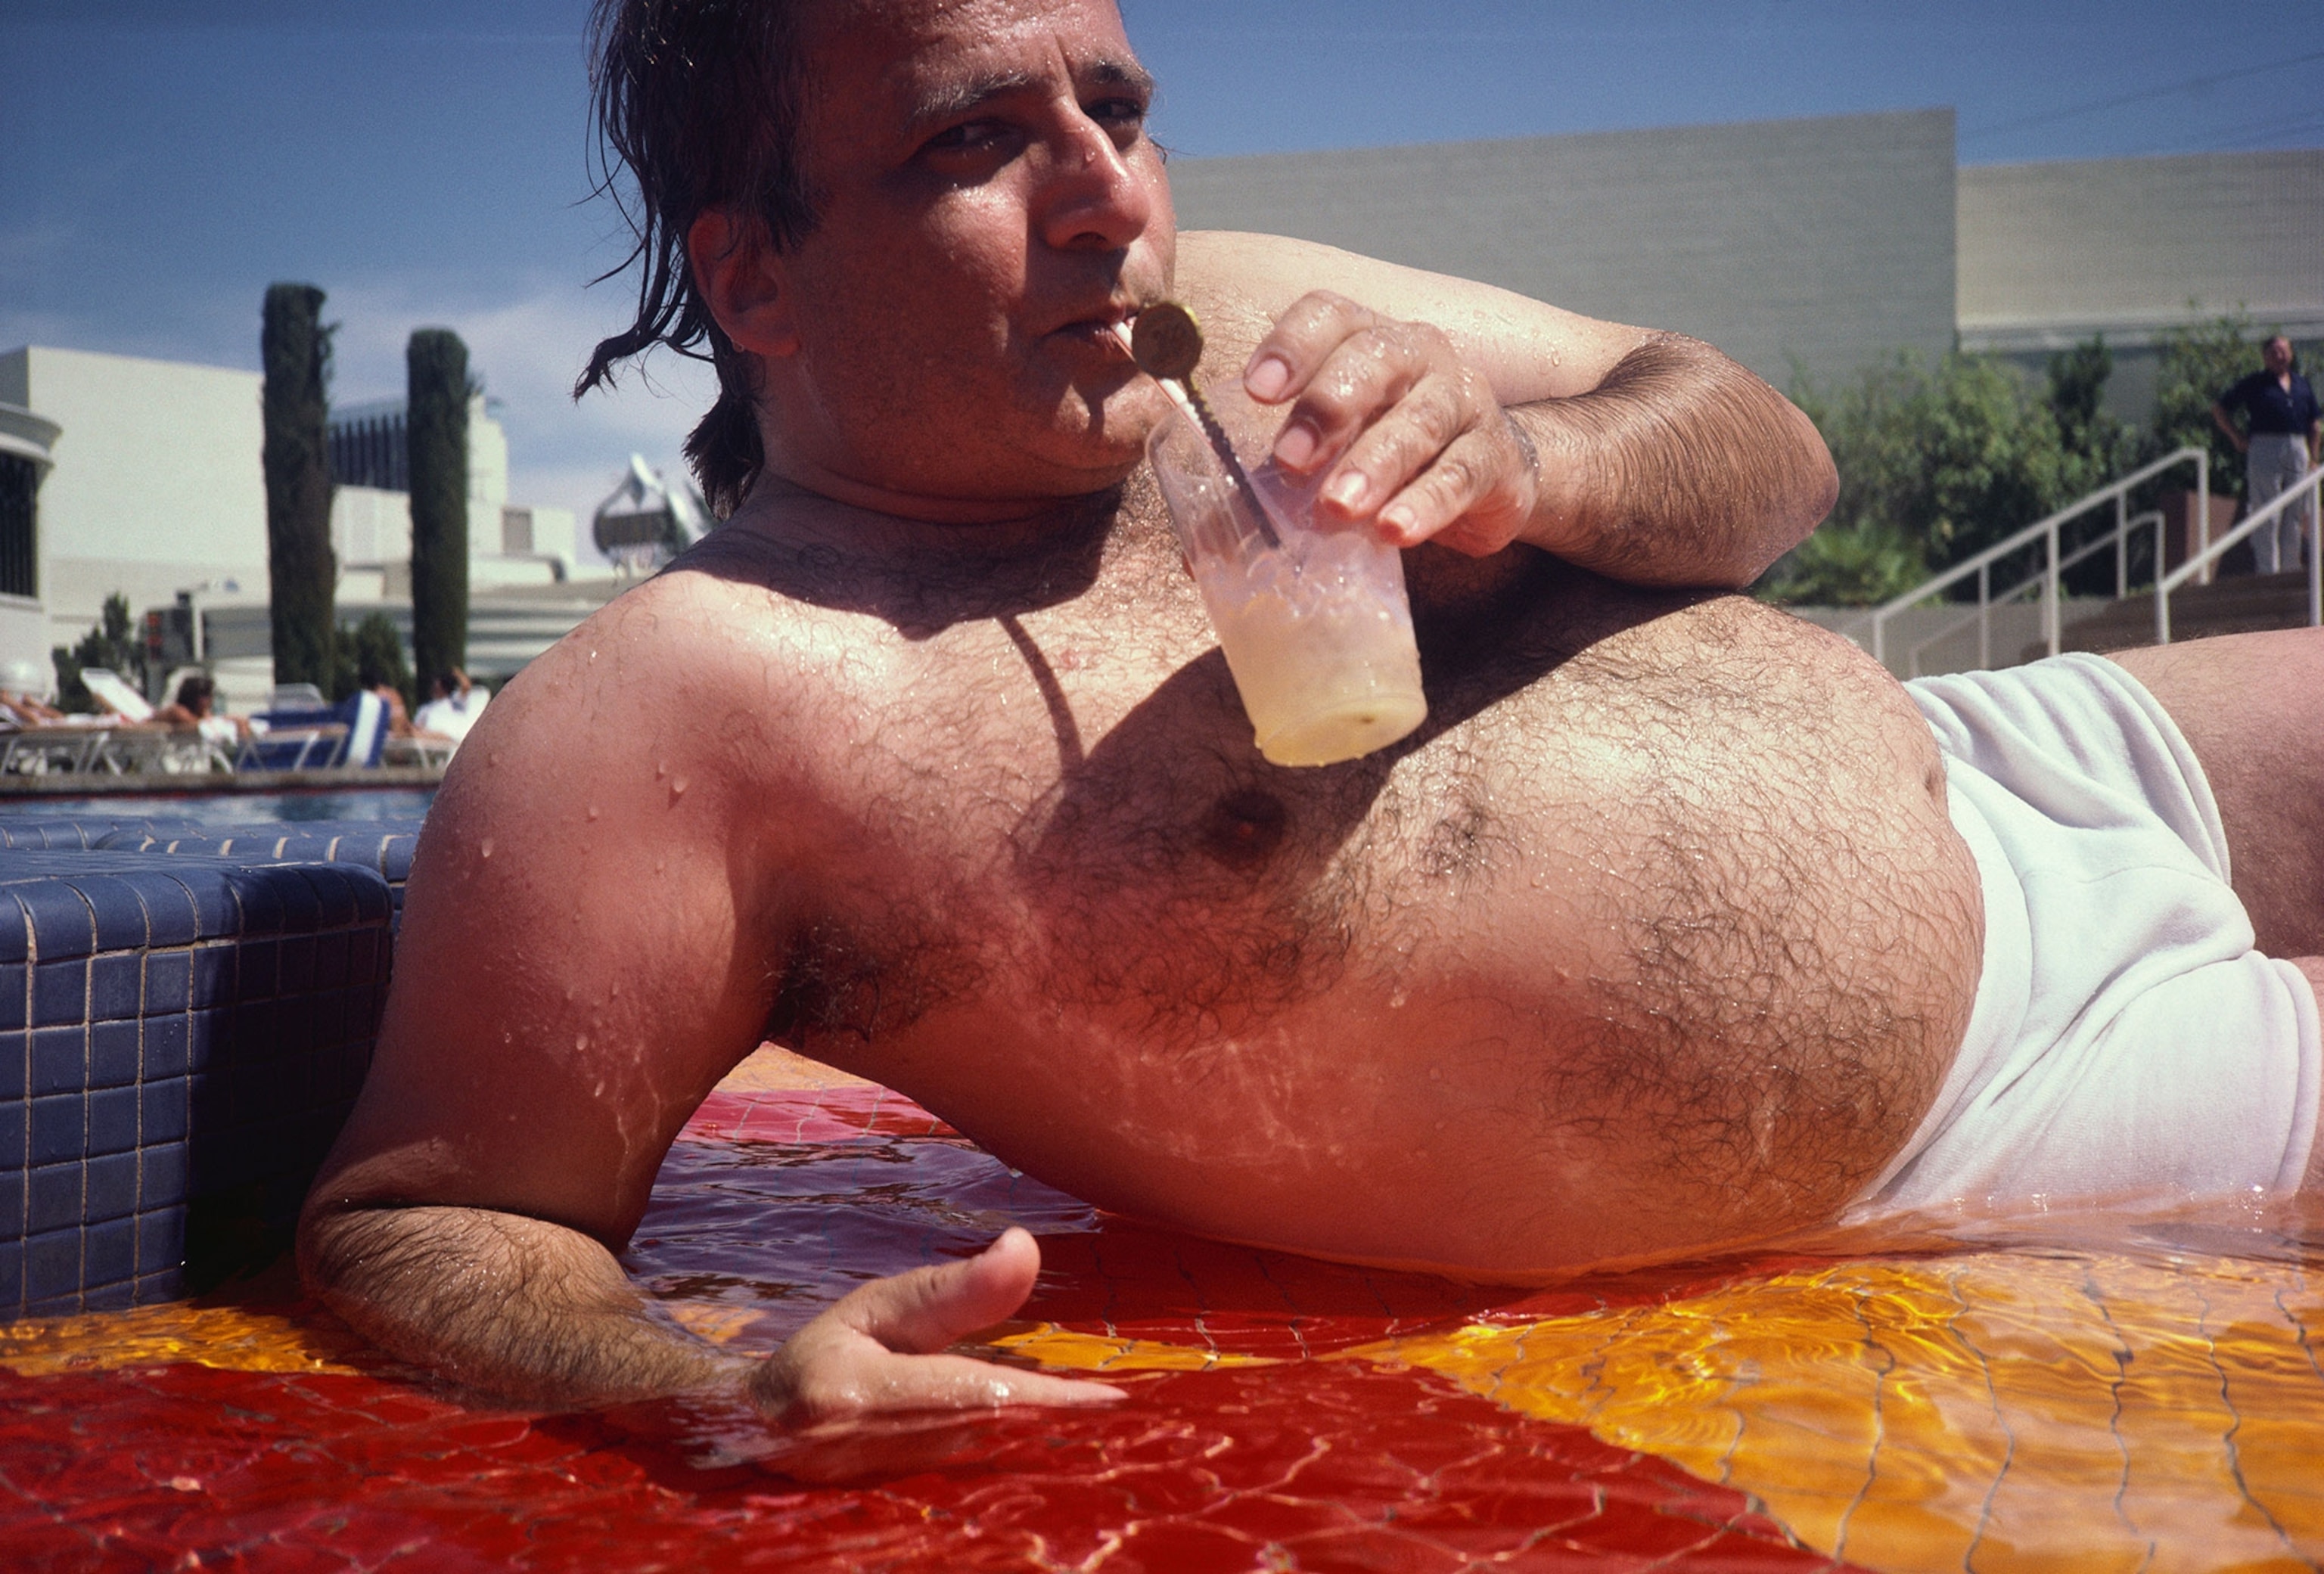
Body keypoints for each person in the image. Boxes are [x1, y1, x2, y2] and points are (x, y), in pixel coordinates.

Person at [300, 0, 2324, 1427]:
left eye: (1120, 104)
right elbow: (428, 1222)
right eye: (976, 136)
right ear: (754, 278)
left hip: (2059, 750)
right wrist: (713, 1385)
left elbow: (1769, 454)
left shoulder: (1244, 318)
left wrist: (1543, 470)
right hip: (2009, 1111)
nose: (1109, 193)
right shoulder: (688, 712)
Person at [2212, 334, 2322, 574]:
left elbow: (2315, 422)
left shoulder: (2301, 384)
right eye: (2274, 352)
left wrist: (2314, 457)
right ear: (2265, 357)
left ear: (2291, 354)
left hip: (2296, 447)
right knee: (2267, 512)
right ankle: (2268, 572)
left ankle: (2290, 569)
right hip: (2264, 447)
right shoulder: (2255, 383)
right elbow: (2220, 410)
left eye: (2284, 351)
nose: (2279, 356)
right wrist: (2237, 437)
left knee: (2294, 512)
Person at [412, 668, 488, 745]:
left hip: (446, 739)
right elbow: (417, 726)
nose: (433, 688)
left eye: (436, 685)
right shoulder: (426, 708)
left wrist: (456, 673)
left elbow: (466, 686)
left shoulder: (455, 701)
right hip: (427, 739)